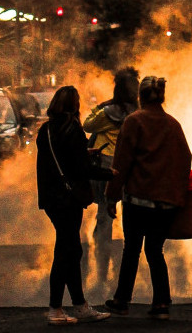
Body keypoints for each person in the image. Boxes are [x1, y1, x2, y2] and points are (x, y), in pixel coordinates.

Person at [103, 76, 191, 320]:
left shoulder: (134, 122)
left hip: (138, 201)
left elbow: (121, 162)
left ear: (140, 96)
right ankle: (161, 303)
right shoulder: (173, 125)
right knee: (155, 251)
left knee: (131, 249)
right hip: (165, 204)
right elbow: (185, 159)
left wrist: (112, 196)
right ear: (162, 96)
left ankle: (121, 301)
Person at [36, 85, 115, 325]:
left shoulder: (46, 130)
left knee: (71, 249)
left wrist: (83, 152)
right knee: (65, 252)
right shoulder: (74, 129)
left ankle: (79, 305)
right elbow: (81, 168)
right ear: (74, 105)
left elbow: (58, 159)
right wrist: (109, 173)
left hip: (51, 199)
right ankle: (56, 309)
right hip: (68, 199)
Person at [82, 67, 139, 285]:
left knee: (104, 219)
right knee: (131, 220)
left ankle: (101, 274)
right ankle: (128, 275)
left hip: (105, 168)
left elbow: (88, 125)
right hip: (130, 169)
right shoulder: (138, 113)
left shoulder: (107, 113)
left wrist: (100, 106)